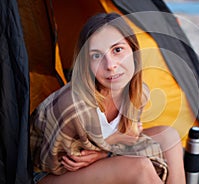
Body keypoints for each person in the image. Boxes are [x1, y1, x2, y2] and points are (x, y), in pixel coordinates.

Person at [30, 13, 185, 184]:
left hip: (100, 159)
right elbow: (57, 164)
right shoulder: (74, 108)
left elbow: (128, 137)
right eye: (96, 56)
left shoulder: (138, 94)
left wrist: (107, 151)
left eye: (117, 50)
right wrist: (113, 148)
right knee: (139, 167)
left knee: (169, 137)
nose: (110, 65)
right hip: (48, 175)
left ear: (134, 51)